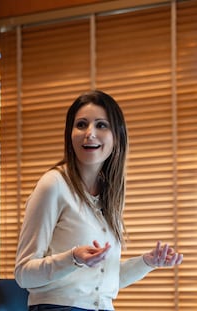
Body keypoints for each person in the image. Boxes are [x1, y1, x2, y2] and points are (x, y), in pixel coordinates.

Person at [14, 90, 183, 311]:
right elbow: (23, 275)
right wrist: (73, 258)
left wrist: (147, 262)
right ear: (70, 134)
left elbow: (101, 285)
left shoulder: (109, 195)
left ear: (117, 136)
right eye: (81, 124)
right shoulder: (53, 184)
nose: (90, 133)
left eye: (101, 125)